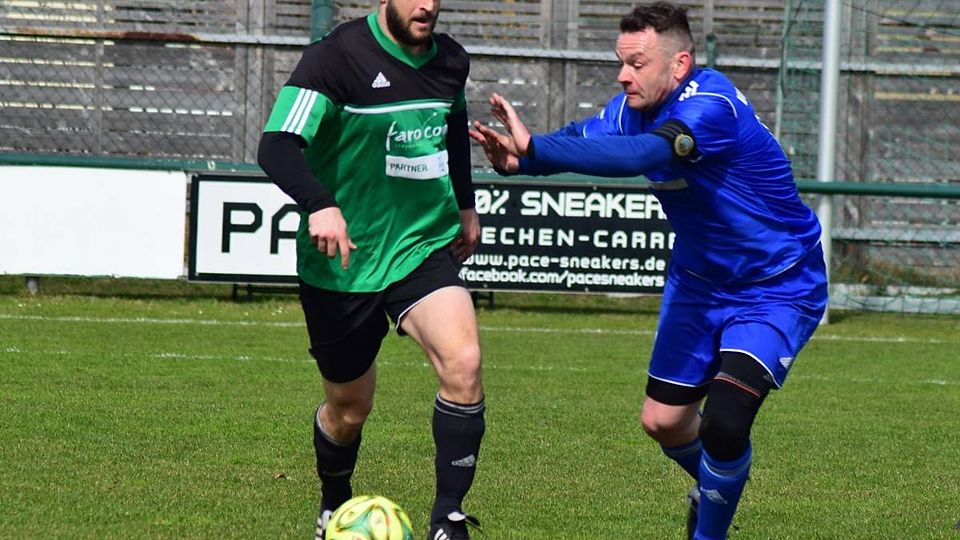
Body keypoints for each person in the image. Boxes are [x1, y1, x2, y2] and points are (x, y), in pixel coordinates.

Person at [469, 2, 827, 539]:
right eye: (621, 62)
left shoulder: (711, 106)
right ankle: (717, 485)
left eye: (636, 63)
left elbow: (636, 156)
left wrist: (536, 147)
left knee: (725, 424)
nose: (622, 75)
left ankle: (709, 528)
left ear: (679, 64)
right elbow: (585, 138)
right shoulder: (629, 110)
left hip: (775, 284)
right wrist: (522, 161)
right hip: (698, 283)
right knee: (663, 422)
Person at [256, 0, 485, 538]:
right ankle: (334, 501)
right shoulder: (334, 57)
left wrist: (466, 205)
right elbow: (276, 145)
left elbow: (453, 133)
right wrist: (320, 204)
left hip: (420, 245)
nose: (427, 6)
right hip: (345, 261)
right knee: (349, 409)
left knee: (464, 362)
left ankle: (448, 518)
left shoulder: (451, 61)